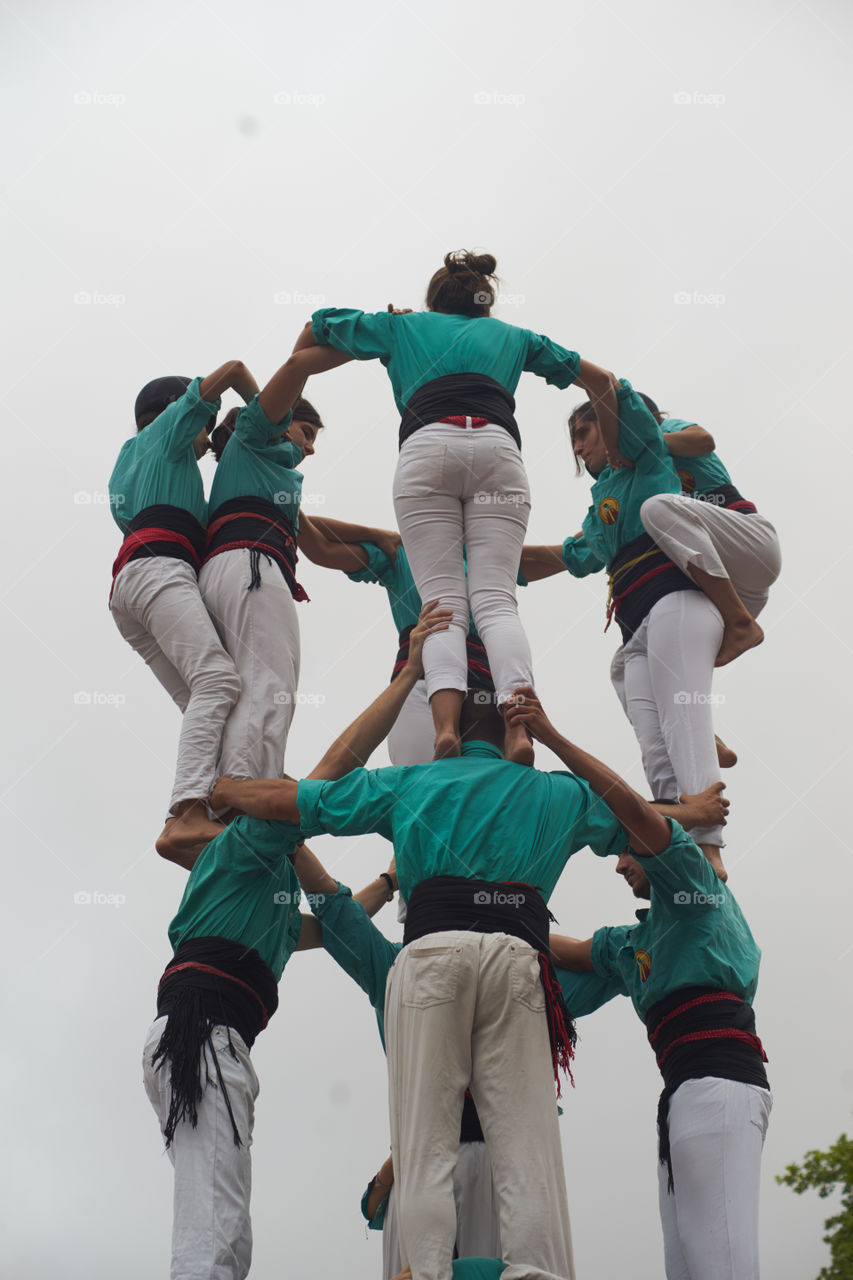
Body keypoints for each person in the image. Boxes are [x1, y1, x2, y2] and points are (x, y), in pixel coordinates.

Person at [212, 689, 671, 1280]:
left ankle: (424, 1271)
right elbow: (643, 818)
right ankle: (534, 1271)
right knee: (528, 1150)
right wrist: (699, 812)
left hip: (430, 956)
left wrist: (228, 792)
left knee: (424, 1146)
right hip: (517, 960)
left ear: (446, 732)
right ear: (511, 738)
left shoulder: (411, 782)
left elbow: (301, 801)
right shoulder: (558, 791)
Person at [143, 601, 449, 1280]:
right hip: (206, 1033)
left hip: (211, 1037)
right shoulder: (245, 848)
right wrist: (406, 679)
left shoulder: (268, 903)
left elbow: (335, 922)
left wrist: (390, 879)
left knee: (221, 1217)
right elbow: (334, 771)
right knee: (217, 1228)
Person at [279, 249, 622, 762]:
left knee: (441, 604)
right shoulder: (515, 337)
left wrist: (364, 340)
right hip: (498, 452)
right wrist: (615, 454)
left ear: (433, 299)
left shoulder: (403, 327)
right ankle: (519, 730)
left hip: (426, 448)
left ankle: (443, 728)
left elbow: (313, 332)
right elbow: (603, 383)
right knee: (496, 602)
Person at [505, 688, 771, 1280]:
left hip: (720, 1083)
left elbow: (627, 806)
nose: (619, 862)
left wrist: (550, 736)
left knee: (720, 1262)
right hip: (683, 1092)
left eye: (626, 852)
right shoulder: (636, 946)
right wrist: (488, 903)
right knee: (687, 1266)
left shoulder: (691, 887)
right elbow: (563, 949)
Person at [292, 844, 501, 1278]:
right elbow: (336, 914)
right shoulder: (394, 968)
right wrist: (289, 831)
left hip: (488, 1157)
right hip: (428, 1157)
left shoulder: (510, 966)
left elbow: (336, 915)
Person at [558, 381, 729, 878]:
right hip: (634, 624)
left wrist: (580, 372)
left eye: (584, 430)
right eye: (572, 437)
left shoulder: (650, 456)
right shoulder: (602, 500)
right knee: (653, 740)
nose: (577, 445)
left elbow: (623, 405)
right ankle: (677, 840)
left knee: (683, 717)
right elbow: (573, 555)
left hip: (675, 598)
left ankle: (710, 844)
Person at [108, 363, 257, 862]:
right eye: (206, 427)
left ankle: (210, 808)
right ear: (179, 414)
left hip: (130, 585)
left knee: (202, 699)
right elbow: (233, 368)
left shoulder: (126, 464)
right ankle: (187, 812)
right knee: (219, 681)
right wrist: (262, 418)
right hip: (161, 571)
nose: (207, 440)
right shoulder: (167, 434)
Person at [198, 342, 349, 787]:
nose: (311, 448)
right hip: (252, 566)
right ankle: (246, 787)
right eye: (308, 433)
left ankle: (232, 780)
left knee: (243, 687)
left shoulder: (262, 473)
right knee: (272, 684)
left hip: (230, 569)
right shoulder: (259, 433)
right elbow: (291, 367)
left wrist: (385, 539)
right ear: (283, 422)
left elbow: (319, 540)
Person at [299, 516, 532, 766]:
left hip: (487, 691)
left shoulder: (485, 560)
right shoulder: (402, 554)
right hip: (422, 680)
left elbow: (565, 555)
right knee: (420, 789)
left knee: (486, 796)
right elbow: (317, 545)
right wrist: (377, 534)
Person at [637, 393, 781, 666]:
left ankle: (740, 622)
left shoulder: (665, 430)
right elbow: (593, 541)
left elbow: (704, 440)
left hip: (749, 542)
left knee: (657, 508)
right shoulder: (642, 475)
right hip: (730, 584)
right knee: (639, 657)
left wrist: (642, 441)